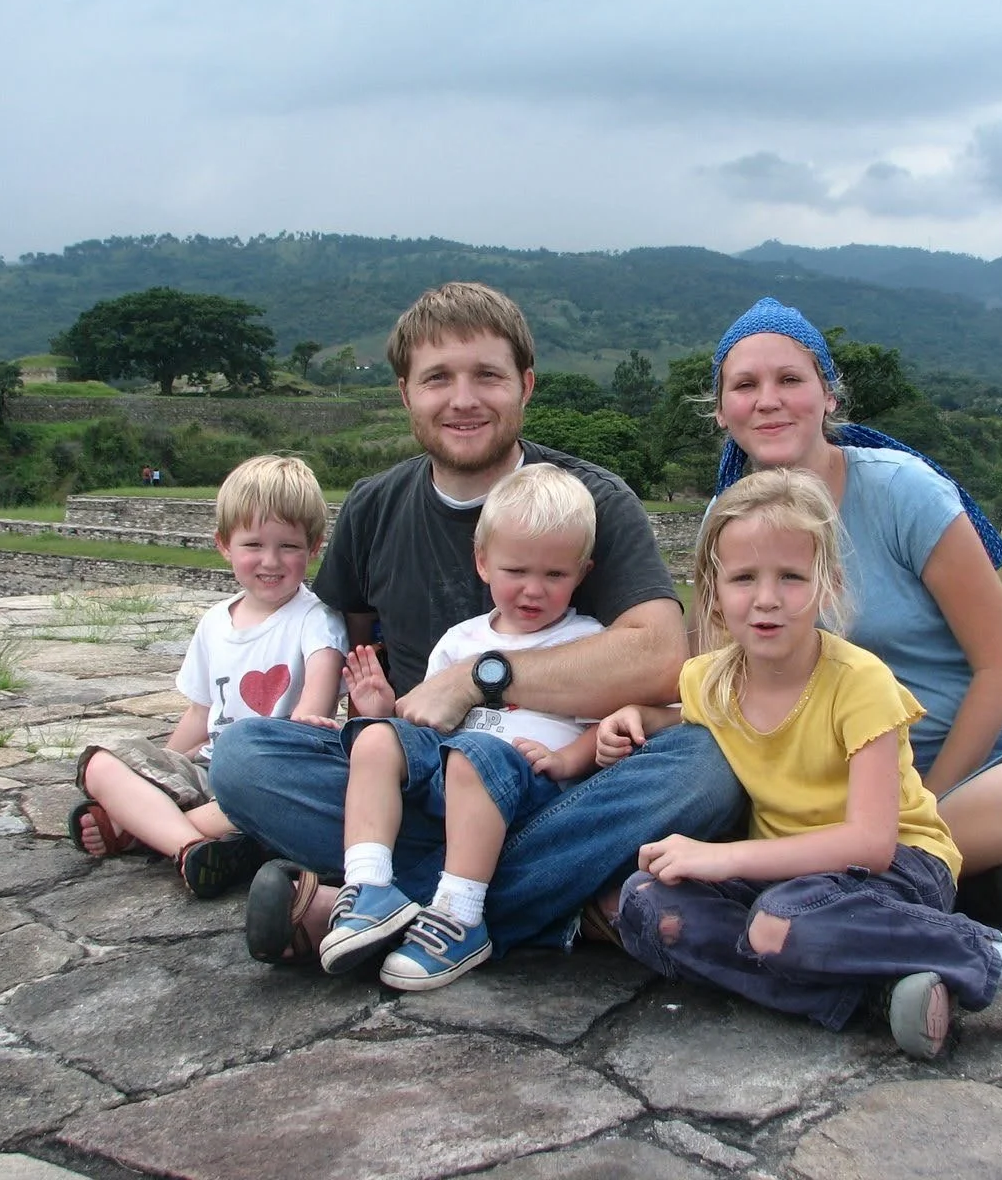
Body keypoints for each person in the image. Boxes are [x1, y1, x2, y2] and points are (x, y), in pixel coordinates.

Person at [210, 281, 744, 965]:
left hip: (558, 788)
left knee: (706, 767)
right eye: (437, 378)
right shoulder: (374, 508)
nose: (463, 400)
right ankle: (556, 904)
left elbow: (660, 658)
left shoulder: (592, 501)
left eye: (487, 375)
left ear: (525, 385)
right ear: (405, 393)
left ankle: (386, 900)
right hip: (423, 785)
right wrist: (362, 713)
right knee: (244, 759)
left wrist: (475, 678)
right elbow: (354, 651)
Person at [610, 468, 1002, 1060]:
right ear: (712, 590)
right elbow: (686, 717)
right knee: (646, 904)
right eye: (744, 578)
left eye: (791, 577)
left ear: (828, 584)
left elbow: (870, 844)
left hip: (898, 868)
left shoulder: (860, 683)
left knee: (785, 924)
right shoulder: (709, 679)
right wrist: (632, 718)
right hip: (789, 876)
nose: (767, 598)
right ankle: (882, 993)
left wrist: (722, 857)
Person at [705, 297, 1002, 928]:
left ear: (828, 395)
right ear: (721, 410)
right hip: (847, 785)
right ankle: (930, 878)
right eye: (746, 385)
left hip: (982, 770)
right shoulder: (729, 521)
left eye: (790, 379)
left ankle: (867, 866)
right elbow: (721, 677)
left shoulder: (902, 490)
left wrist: (924, 806)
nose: (768, 400)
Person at [322, 464, 608, 989]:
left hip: (529, 790)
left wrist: (568, 759)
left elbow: (603, 724)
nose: (533, 590)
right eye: (515, 570)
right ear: (482, 562)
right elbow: (430, 726)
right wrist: (384, 713)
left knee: (476, 754)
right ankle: (369, 886)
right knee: (376, 739)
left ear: (583, 572)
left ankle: (460, 913)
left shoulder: (588, 641)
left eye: (555, 576)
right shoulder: (460, 640)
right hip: (449, 782)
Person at [68, 454, 347, 898]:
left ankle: (142, 830)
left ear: (313, 547)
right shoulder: (216, 622)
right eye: (253, 545)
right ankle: (191, 847)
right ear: (224, 545)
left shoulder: (317, 621)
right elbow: (200, 714)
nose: (270, 561)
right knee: (100, 762)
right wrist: (157, 774)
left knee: (252, 805)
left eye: (288, 547)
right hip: (207, 767)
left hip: (263, 777)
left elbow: (313, 708)